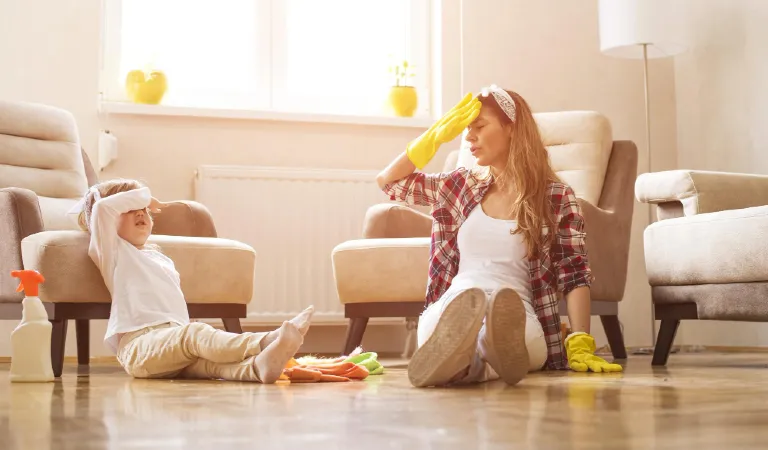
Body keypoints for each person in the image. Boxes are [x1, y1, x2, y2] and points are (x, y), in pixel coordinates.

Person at [376, 86, 623, 388]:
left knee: (513, 334)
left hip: (515, 310)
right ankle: (482, 361)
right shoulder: (460, 185)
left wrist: (580, 338)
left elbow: (573, 273)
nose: (469, 138)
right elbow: (389, 183)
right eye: (466, 130)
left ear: (512, 129)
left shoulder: (556, 197)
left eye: (479, 127)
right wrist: (435, 137)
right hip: (456, 303)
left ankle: (467, 362)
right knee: (445, 323)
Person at [70, 179, 314, 383]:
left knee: (209, 365)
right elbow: (103, 209)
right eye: (130, 207)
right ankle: (264, 342)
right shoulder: (112, 253)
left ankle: (257, 368)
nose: (140, 213)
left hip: (169, 341)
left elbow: (171, 303)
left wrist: (182, 324)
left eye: (144, 210)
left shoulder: (159, 258)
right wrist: (144, 196)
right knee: (194, 335)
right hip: (139, 346)